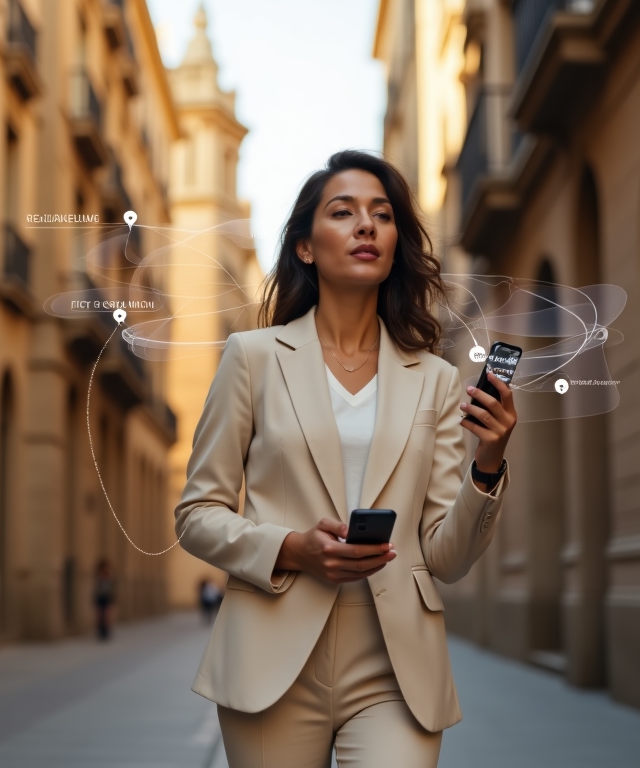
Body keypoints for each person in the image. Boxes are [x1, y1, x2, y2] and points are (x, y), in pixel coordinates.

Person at [175, 150, 517, 767]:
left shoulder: (435, 381)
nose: (367, 225)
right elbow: (197, 513)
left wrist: (487, 464)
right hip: (269, 656)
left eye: (382, 215)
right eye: (344, 212)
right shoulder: (251, 358)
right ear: (306, 246)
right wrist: (291, 547)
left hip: (396, 667)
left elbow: (446, 555)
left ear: (394, 244)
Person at [93, 558, 116, 641]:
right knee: (101, 615)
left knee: (107, 615)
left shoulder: (109, 575)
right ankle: (101, 631)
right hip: (100, 596)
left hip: (107, 596)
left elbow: (112, 586)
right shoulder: (99, 576)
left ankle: (106, 631)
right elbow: (97, 588)